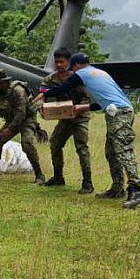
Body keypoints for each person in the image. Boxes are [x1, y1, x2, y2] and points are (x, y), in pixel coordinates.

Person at [41, 53, 140, 209]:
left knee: (124, 151)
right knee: (111, 152)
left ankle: (136, 189)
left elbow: (62, 88)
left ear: (76, 65)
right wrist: (85, 107)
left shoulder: (81, 74)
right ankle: (117, 188)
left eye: (73, 68)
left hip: (120, 113)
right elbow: (102, 102)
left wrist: (44, 93)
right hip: (119, 111)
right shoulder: (100, 73)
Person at [41, 48, 94, 193]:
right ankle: (58, 177)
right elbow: (43, 92)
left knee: (81, 148)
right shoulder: (51, 79)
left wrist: (78, 108)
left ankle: (87, 183)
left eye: (62, 62)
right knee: (55, 144)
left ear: (68, 62)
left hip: (80, 118)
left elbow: (87, 97)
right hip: (65, 118)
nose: (59, 65)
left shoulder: (77, 77)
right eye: (56, 62)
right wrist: (43, 107)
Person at [0, 68, 46, 183]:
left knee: (27, 144)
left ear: (3, 82)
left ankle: (39, 174)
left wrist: (10, 129)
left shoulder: (18, 90)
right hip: (12, 121)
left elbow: (21, 113)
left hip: (26, 120)